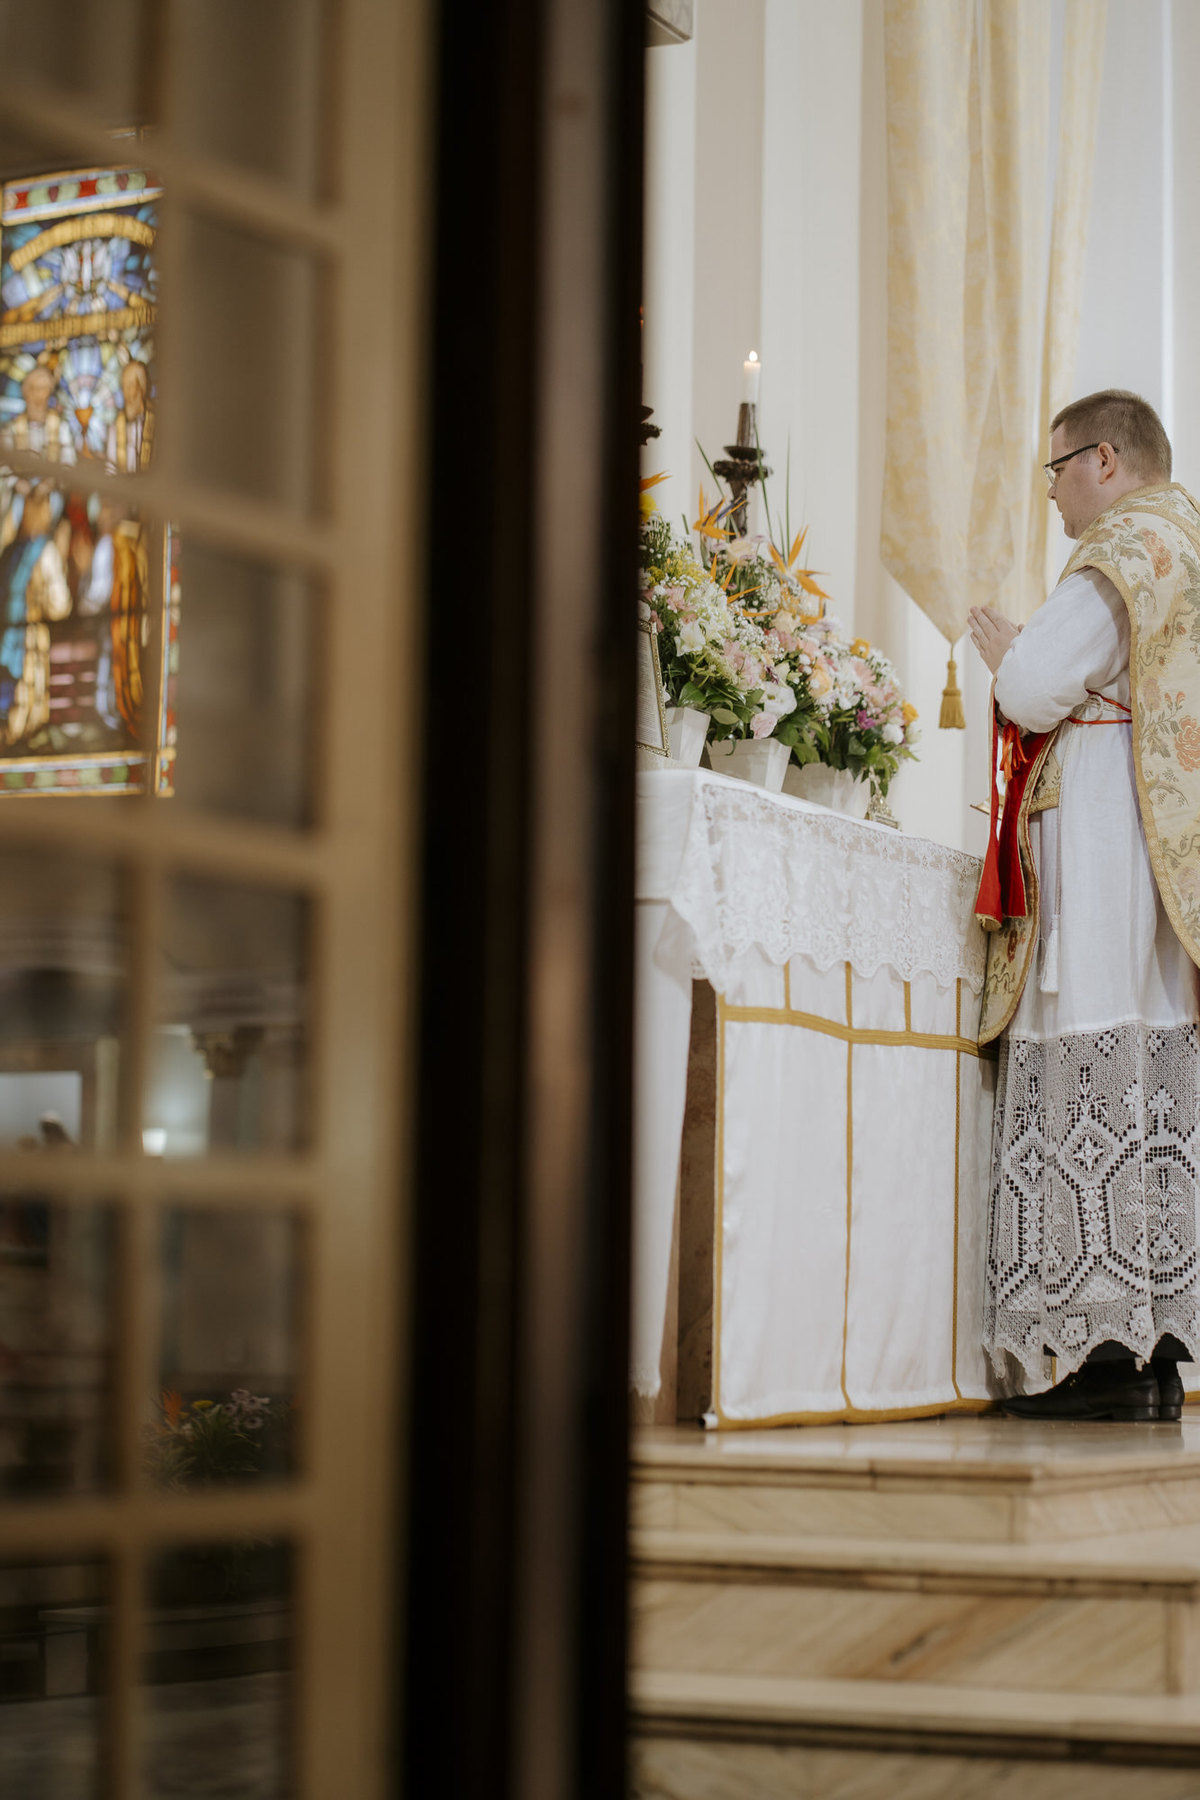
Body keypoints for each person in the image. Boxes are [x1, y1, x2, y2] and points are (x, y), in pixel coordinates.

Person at [969, 390, 1200, 1424]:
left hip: (1108, 837)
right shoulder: (1187, 539)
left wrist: (1011, 648)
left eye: (1056, 468)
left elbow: (1034, 686)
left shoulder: (1121, 550)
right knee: (1143, 1073)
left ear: (1103, 459)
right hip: (1163, 844)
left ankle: (1102, 1359)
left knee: (1088, 1064)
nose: (1054, 493)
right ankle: (1151, 1353)